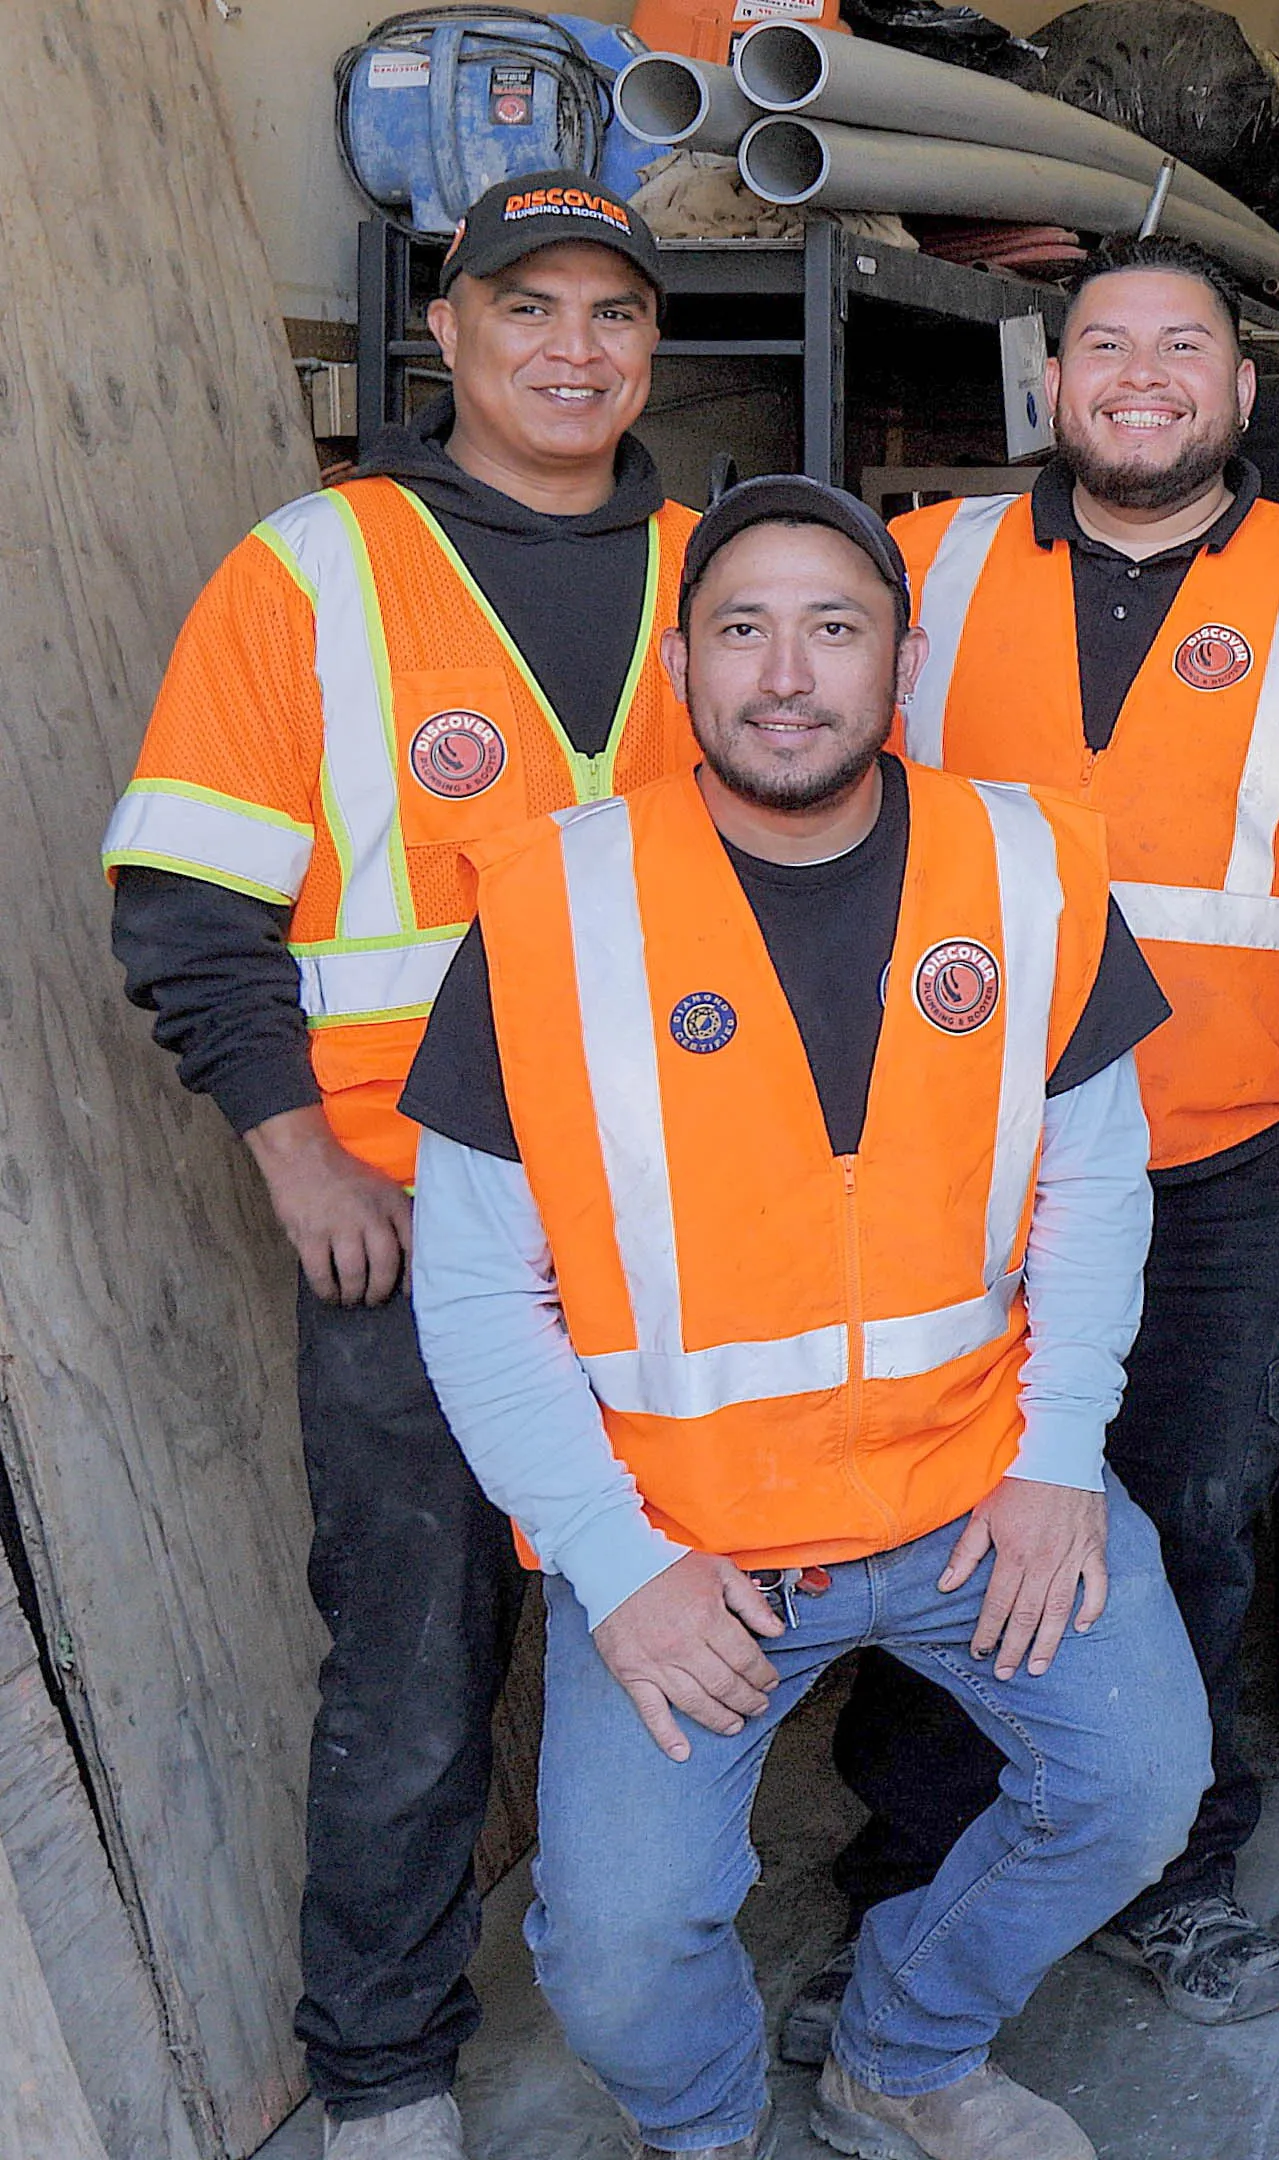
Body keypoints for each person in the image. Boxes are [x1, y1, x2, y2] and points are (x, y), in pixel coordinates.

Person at [402, 478, 1205, 2160]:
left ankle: (904, 2054)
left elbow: (1096, 1188)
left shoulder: (1025, 865)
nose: (787, 671)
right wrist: (615, 1564)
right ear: (683, 668)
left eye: (833, 627)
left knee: (1137, 1790)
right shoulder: (551, 906)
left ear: (898, 664)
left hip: (975, 1493)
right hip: (691, 1546)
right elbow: (476, 1284)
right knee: (615, 1953)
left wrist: (1060, 1457)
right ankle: (707, 2133)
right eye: (741, 628)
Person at [98, 170, 695, 2160]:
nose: (572, 349)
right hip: (416, 1236)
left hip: (691, 1249)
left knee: (693, 1630)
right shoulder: (317, 572)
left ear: (650, 350)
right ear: (442, 333)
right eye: (528, 309)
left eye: (614, 315)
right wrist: (294, 1158)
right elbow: (188, 900)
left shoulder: (721, 573)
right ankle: (379, 2075)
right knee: (419, 1675)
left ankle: (673, 2002)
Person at [804, 236, 1279, 2047]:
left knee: (1191, 1518)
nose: (1142, 376)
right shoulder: (917, 572)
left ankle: (1172, 1868)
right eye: (1103, 345)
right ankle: (915, 1884)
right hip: (953, 1157)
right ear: (1050, 386)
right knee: (937, 1515)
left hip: (1235, 1157)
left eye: (1186, 348)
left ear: (1246, 391)